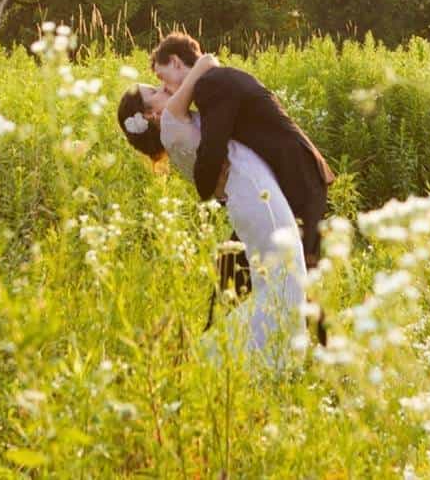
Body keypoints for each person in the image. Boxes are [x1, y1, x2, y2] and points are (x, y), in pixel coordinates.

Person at [118, 53, 308, 364]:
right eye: (153, 91)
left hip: (249, 192)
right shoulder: (170, 119)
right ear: (150, 115)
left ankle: (248, 357)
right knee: (283, 282)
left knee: (281, 281)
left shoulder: (174, 123)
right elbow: (206, 62)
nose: (161, 88)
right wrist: (179, 73)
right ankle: (217, 357)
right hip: (252, 193)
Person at [151, 34, 335, 271]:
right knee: (236, 269)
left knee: (293, 277)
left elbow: (212, 150)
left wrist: (205, 186)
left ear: (176, 62)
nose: (164, 88)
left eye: (161, 77)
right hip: (292, 179)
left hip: (299, 179)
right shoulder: (216, 79)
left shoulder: (211, 84)